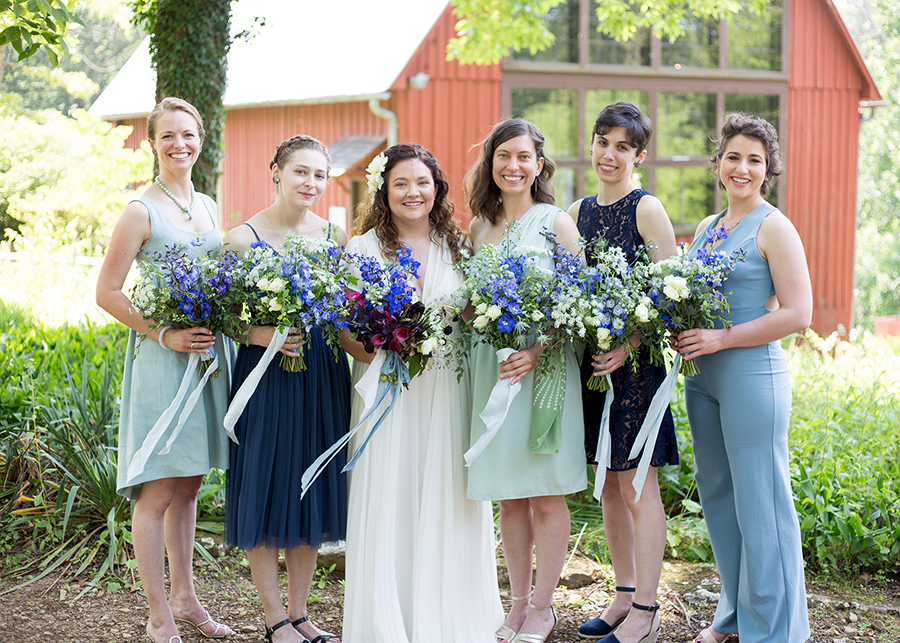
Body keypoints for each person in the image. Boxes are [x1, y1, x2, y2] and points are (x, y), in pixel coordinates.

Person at [341, 144, 503, 643]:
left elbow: (479, 316)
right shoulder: (362, 250)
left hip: (448, 392)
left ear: (438, 188)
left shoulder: (459, 245)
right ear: (384, 192)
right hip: (388, 392)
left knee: (447, 495)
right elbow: (345, 333)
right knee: (390, 491)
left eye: (423, 183)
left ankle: (449, 618)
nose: (414, 193)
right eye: (401, 184)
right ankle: (386, 621)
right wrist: (387, 350)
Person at [96, 97, 234, 643]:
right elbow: (106, 292)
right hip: (162, 361)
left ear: (201, 138)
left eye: (189, 134)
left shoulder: (206, 204)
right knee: (156, 492)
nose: (181, 144)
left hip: (205, 362)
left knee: (190, 485)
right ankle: (158, 616)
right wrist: (164, 332)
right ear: (152, 143)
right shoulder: (140, 211)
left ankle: (186, 598)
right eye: (169, 136)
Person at [672, 113, 812, 643]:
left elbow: (799, 313)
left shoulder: (774, 226)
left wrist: (722, 337)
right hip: (702, 378)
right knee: (720, 498)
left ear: (767, 170)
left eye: (755, 159)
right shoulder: (709, 228)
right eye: (733, 156)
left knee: (762, 504)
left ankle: (775, 632)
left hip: (753, 377)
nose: (742, 167)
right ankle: (734, 618)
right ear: (718, 163)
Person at [222, 135, 351, 643]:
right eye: (301, 172)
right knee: (266, 483)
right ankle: (274, 618)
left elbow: (345, 310)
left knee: (310, 487)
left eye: (320, 175)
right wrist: (256, 334)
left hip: (320, 373)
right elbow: (222, 313)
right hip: (264, 375)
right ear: (276, 170)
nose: (311, 183)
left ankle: (301, 613)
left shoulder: (335, 238)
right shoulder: (241, 238)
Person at [465, 119, 588, 643]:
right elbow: (471, 302)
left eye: (523, 157)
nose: (512, 166)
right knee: (508, 495)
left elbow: (580, 303)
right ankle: (515, 603)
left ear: (539, 165)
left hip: (544, 373)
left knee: (543, 492)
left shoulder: (556, 223)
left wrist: (538, 350)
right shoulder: (478, 227)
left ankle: (544, 606)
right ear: (490, 163)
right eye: (502, 156)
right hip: (491, 371)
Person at [566, 102, 678, 643]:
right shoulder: (577, 212)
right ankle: (623, 594)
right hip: (593, 365)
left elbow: (669, 296)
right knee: (608, 487)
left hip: (636, 368)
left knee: (637, 485)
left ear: (639, 154)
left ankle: (649, 611)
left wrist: (628, 344)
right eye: (602, 142)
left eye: (622, 147)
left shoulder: (647, 209)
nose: (609, 155)